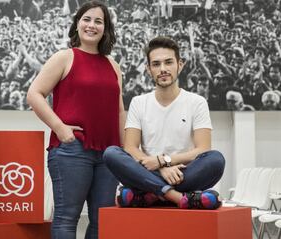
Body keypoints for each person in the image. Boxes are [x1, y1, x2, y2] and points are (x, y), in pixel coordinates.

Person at [27, 1, 125, 238]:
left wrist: (124, 151)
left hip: (109, 155)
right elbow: (34, 94)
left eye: (98, 21)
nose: (92, 25)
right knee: (66, 219)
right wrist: (59, 128)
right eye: (87, 19)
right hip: (72, 149)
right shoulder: (64, 57)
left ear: (106, 28)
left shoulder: (113, 65)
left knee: (103, 222)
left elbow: (119, 110)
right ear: (78, 24)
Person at [103, 36, 225, 210]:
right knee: (111, 154)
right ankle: (178, 197)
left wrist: (163, 161)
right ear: (148, 69)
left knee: (215, 159)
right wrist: (160, 169)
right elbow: (130, 148)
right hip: (148, 170)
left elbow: (203, 149)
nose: (163, 69)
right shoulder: (139, 102)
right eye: (156, 64)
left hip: (183, 173)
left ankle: (149, 195)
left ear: (180, 65)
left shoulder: (196, 102)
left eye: (168, 62)